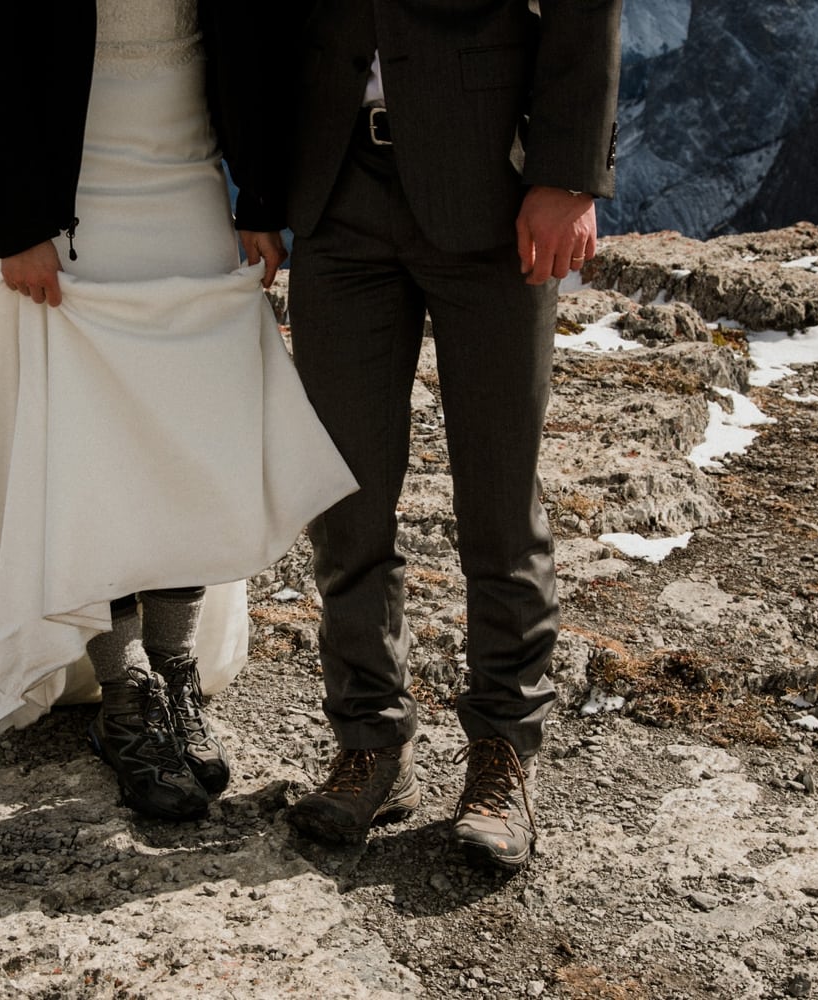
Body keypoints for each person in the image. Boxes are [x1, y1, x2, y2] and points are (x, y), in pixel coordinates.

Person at [0, 0, 355, 823]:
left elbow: (260, 35)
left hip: (189, 170)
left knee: (186, 434)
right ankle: (124, 694)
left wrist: (263, 196)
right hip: (64, 189)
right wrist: (20, 221)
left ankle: (175, 671)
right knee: (95, 441)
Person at [282, 0, 622, 871]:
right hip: (335, 186)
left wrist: (570, 174)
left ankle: (502, 756)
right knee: (346, 498)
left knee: (499, 495)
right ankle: (370, 744)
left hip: (498, 183)